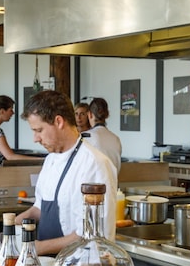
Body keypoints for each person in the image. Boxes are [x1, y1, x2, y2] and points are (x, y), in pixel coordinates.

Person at [16, 90, 118, 255]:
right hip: (48, 264)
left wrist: (37, 248)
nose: (35, 138)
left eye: (39, 130)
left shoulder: (94, 164)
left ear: (59, 121)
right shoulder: (51, 160)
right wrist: (9, 226)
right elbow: (39, 209)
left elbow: (91, 235)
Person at [0, 95, 38, 166]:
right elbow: (10, 157)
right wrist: (41, 160)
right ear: (2, 111)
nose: (13, 113)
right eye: (10, 110)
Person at [84, 97, 122, 172]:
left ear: (90, 114)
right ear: (107, 115)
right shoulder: (116, 139)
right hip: (113, 179)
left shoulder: (84, 137)